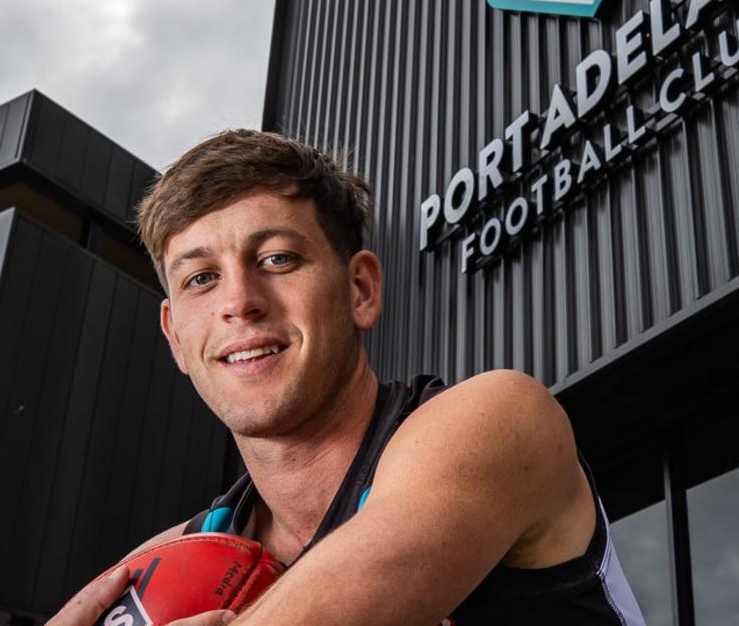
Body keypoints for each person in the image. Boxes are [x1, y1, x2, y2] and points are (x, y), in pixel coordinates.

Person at [49, 129, 646, 626]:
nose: (239, 302)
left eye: (277, 259)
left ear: (360, 289)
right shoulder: (172, 559)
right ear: (176, 336)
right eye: (200, 279)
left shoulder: (496, 423)